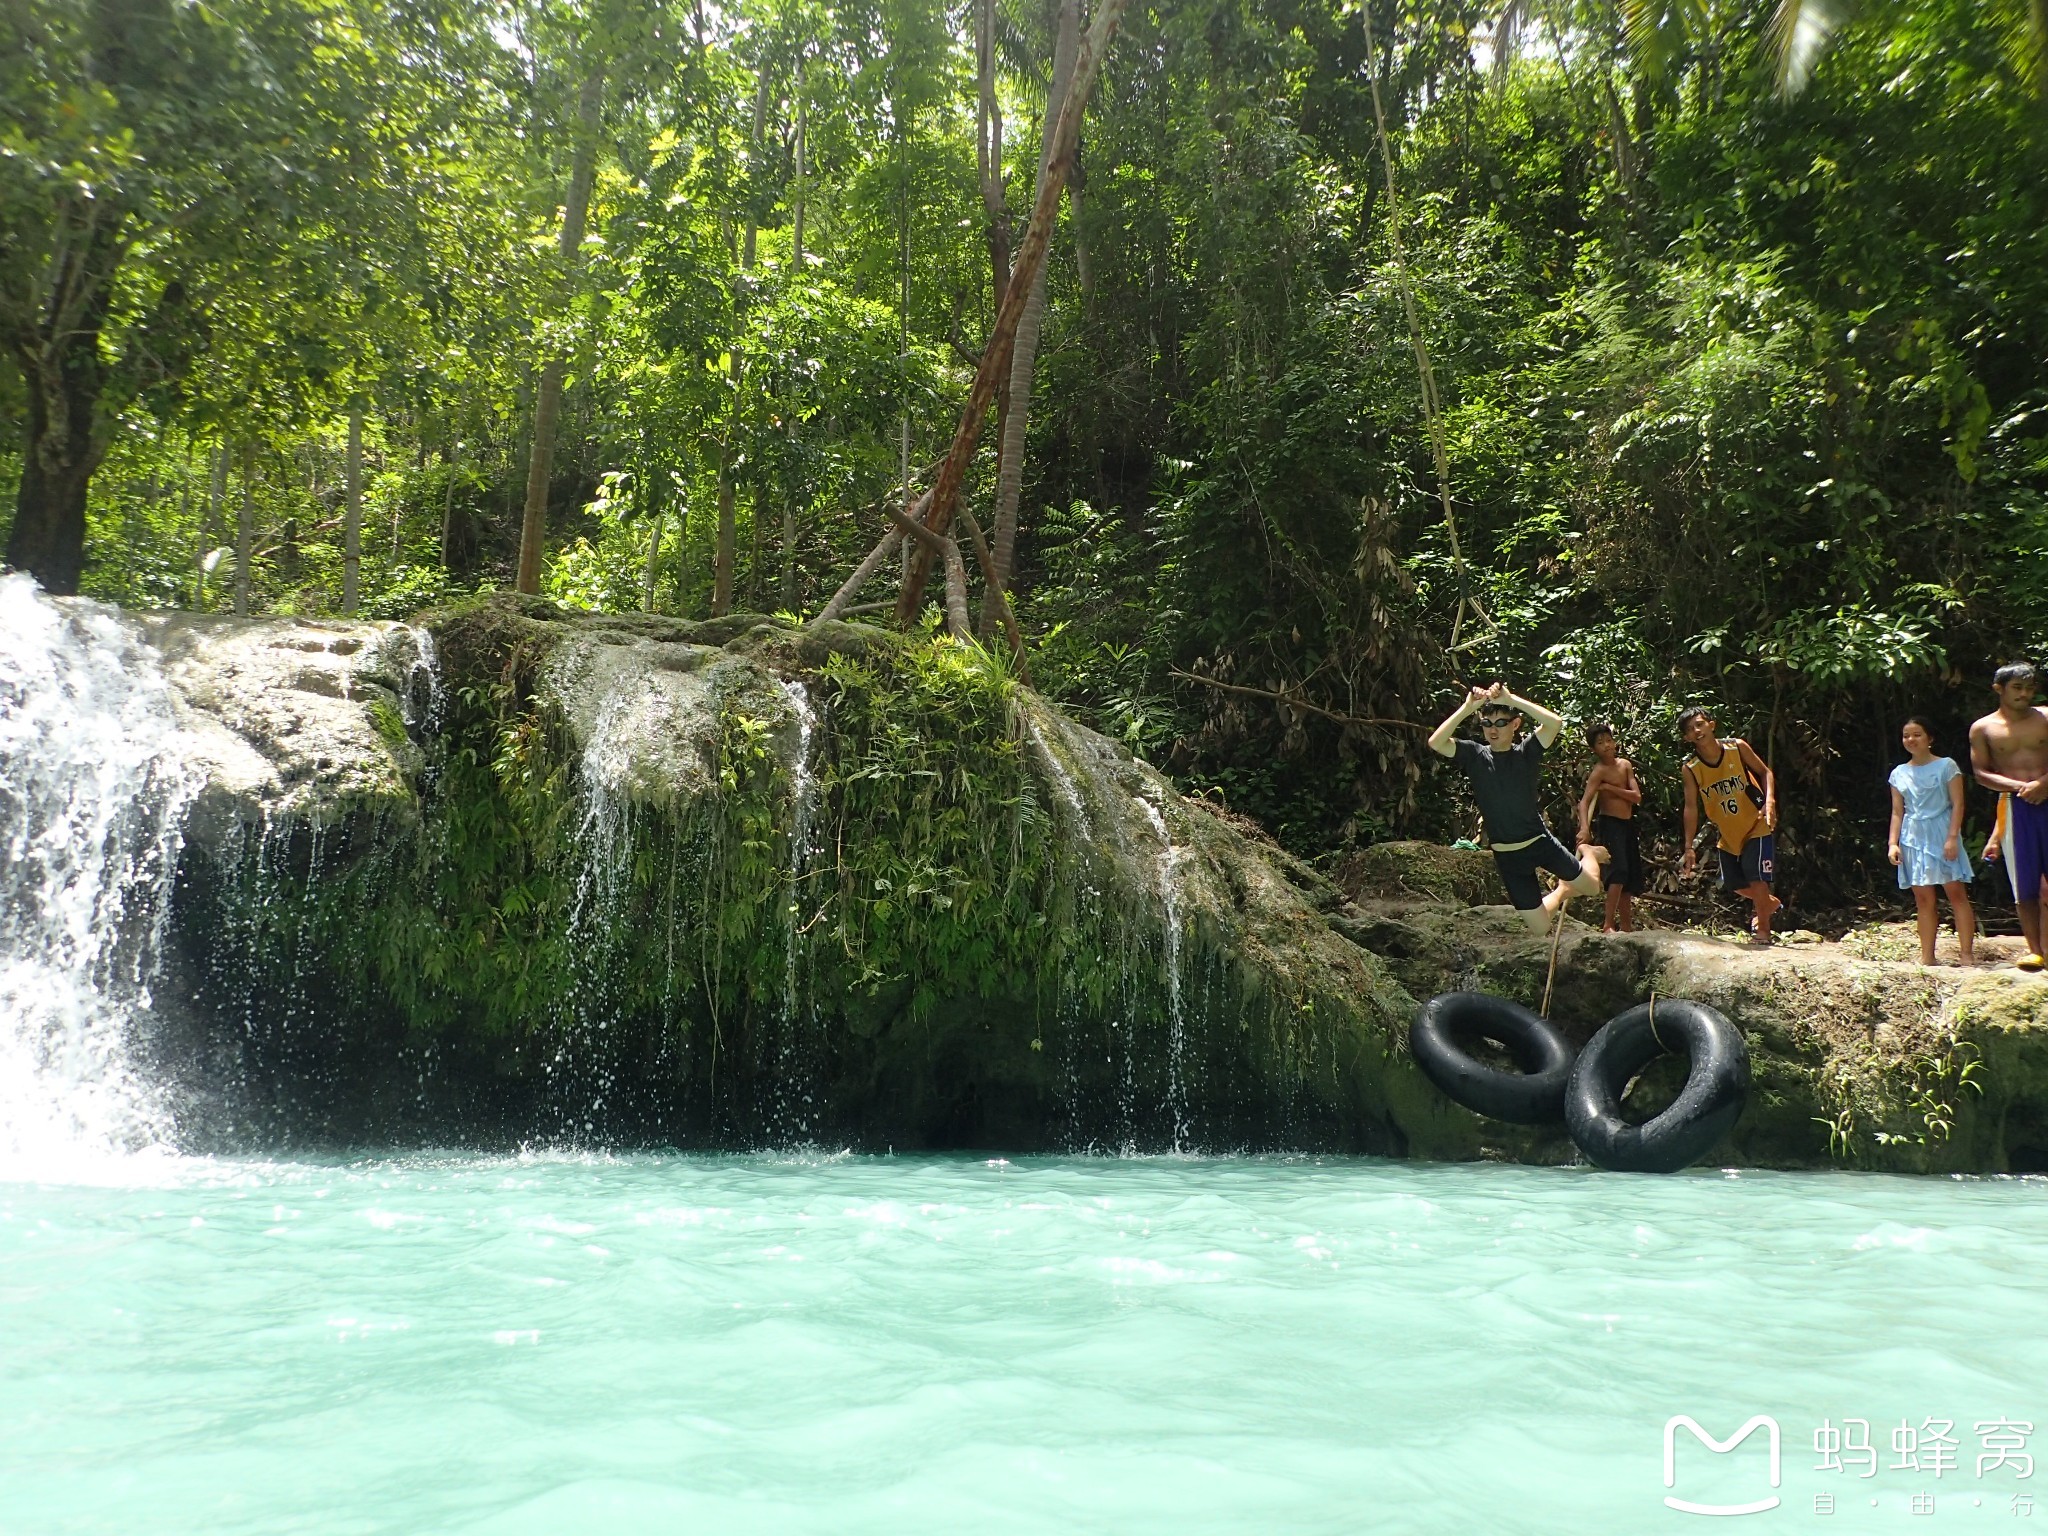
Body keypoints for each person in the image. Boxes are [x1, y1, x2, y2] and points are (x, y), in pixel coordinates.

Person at [1428, 681, 1604, 933]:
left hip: (1538, 842)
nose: (1493, 729)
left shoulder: (1526, 752)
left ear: (1515, 724)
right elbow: (1436, 742)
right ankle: (1563, 890)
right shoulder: (1475, 755)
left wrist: (1513, 701)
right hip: (1507, 855)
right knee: (1540, 927)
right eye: (1487, 723)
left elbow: (1554, 723)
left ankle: (1588, 852)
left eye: (1501, 722)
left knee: (1592, 888)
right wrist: (1468, 708)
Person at [1969, 661, 2048, 971]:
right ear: (1998, 689)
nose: (2024, 694)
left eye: (2029, 688)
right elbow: (1980, 774)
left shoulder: (2045, 717)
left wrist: (2043, 784)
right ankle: (2035, 950)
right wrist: (2022, 787)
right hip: (2017, 806)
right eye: (2017, 688)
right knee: (2025, 882)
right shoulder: (1983, 728)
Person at [1677, 706, 1780, 945]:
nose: (1697, 730)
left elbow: (1765, 773)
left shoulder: (1737, 747)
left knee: (1756, 877)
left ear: (1711, 725)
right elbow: (1691, 807)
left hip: (1756, 823)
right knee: (1734, 884)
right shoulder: (1691, 768)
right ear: (1687, 738)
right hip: (1728, 833)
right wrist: (1688, 846)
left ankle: (1763, 930)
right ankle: (1768, 903)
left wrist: (1770, 801)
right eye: (1690, 729)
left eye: (1700, 724)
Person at [1886, 717, 1977, 967]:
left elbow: (1958, 803)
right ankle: (1927, 957)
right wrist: (1893, 843)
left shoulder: (1947, 766)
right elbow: (1897, 811)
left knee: (1956, 893)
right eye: (1906, 735)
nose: (1911, 740)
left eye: (1917, 734)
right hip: (1912, 835)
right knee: (1923, 899)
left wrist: (1951, 838)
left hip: (1942, 831)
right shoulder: (1899, 773)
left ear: (1930, 739)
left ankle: (1967, 955)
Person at [1575, 721, 1643, 933]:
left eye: (1609, 740)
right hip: (1610, 824)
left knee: (1629, 875)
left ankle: (1626, 926)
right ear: (1593, 749)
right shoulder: (1599, 771)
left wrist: (1610, 788)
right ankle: (1607, 924)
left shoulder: (1625, 765)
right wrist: (1585, 828)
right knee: (1618, 872)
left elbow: (1637, 797)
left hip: (1628, 825)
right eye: (1600, 743)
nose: (1606, 745)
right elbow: (1584, 802)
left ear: (1615, 743)